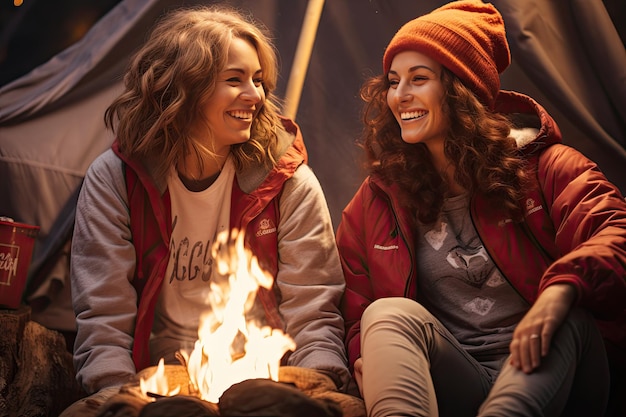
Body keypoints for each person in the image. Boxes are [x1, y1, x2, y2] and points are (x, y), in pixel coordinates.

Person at [336, 1, 626, 416]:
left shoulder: (548, 168)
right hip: (458, 376)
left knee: (569, 315)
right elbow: (356, 306)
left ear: (462, 90)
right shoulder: (380, 198)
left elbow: (616, 234)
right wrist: (369, 356)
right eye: (394, 81)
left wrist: (560, 291)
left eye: (419, 79)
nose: (400, 96)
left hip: (559, 376)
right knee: (386, 313)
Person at [60, 5, 351, 416]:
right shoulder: (118, 180)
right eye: (235, 81)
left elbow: (313, 306)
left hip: (264, 377)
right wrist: (118, 393)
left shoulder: (286, 180)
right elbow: (103, 315)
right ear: (183, 88)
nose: (256, 96)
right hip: (155, 379)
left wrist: (318, 382)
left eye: (258, 80)